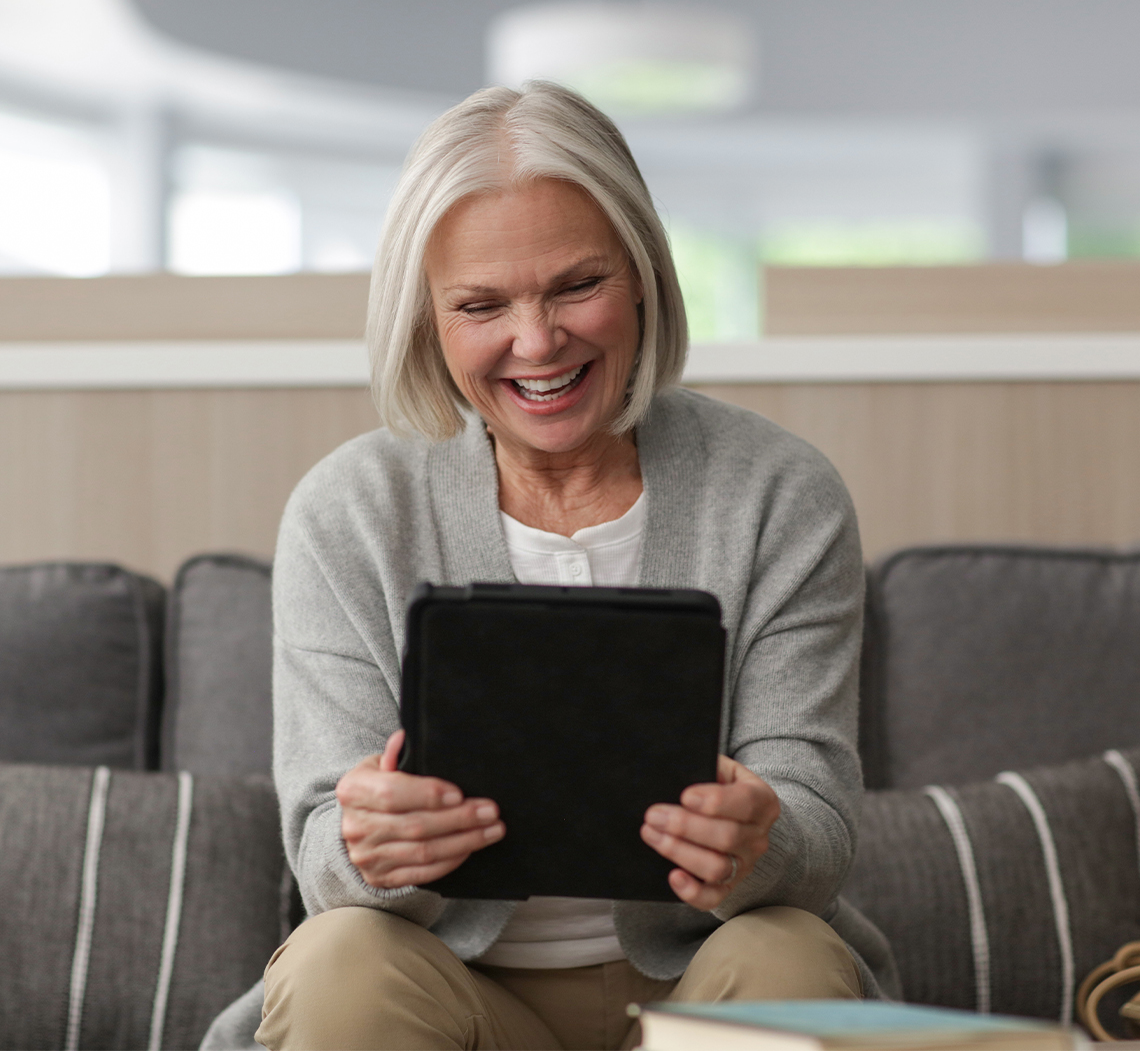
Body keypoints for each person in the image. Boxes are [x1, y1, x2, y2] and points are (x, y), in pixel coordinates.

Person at [255, 82, 894, 1051]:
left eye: (575, 284)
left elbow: (815, 830)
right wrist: (368, 846)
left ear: (641, 272)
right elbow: (320, 856)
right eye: (481, 304)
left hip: (700, 979)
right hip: (450, 992)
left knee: (787, 958)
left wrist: (764, 840)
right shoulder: (348, 511)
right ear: (428, 319)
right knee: (337, 956)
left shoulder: (780, 492)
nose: (538, 341)